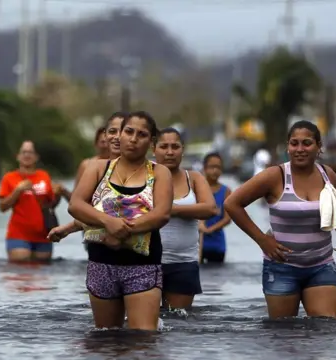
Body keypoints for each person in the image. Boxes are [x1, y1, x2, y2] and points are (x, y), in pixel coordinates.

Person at [224, 120, 336, 319]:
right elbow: (232, 204)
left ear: (319, 147)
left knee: (326, 329)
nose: (300, 149)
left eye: (307, 143)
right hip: (281, 268)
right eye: (294, 143)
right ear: (287, 146)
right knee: (283, 334)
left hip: (321, 265)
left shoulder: (327, 174)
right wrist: (262, 240)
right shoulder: (274, 176)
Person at [66, 111, 173, 331]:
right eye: (129, 131)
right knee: (106, 337)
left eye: (142, 134)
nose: (133, 139)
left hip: (142, 265)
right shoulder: (98, 168)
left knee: (143, 339)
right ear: (119, 135)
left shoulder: (160, 173)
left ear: (152, 142)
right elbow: (75, 205)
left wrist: (122, 230)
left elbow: (162, 214)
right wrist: (107, 222)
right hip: (101, 263)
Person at [154, 128, 217, 310]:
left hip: (183, 263)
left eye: (175, 146)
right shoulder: (144, 178)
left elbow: (211, 208)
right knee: (143, 326)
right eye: (164, 146)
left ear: (183, 149)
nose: (170, 152)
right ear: (154, 149)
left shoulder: (194, 178)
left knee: (179, 323)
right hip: (147, 263)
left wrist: (171, 210)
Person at [47, 112, 126, 240]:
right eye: (112, 132)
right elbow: (76, 203)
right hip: (92, 228)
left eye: (121, 132)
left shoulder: (144, 169)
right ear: (97, 143)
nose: (115, 138)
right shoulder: (90, 165)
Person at [0, 140, 60, 263]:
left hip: (43, 236)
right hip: (18, 235)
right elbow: (2, 207)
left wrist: (58, 194)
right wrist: (17, 191)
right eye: (24, 152)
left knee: (42, 272)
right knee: (21, 267)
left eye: (30, 152)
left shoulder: (44, 176)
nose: (27, 155)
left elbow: (51, 205)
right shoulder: (9, 178)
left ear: (36, 157)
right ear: (18, 156)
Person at [199, 152, 232, 264]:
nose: (215, 171)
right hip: (198, 243)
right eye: (211, 167)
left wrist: (210, 230)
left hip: (217, 245)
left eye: (218, 167)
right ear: (204, 168)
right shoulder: (197, 188)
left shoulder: (226, 191)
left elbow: (227, 219)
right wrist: (200, 226)